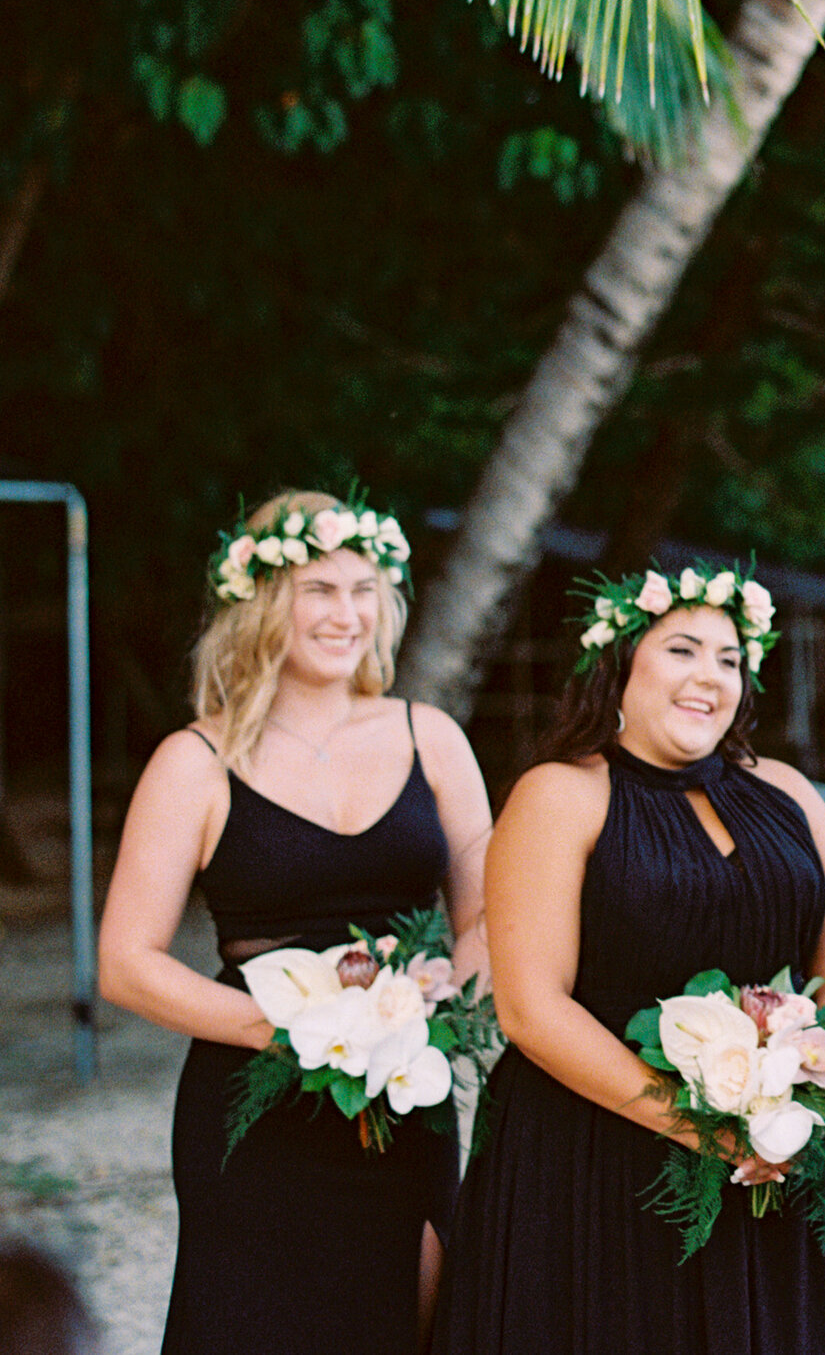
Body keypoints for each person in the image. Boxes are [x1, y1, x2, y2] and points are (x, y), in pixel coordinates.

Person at [431, 563, 825, 1355]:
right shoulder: (559, 794)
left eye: (729, 659)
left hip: (777, 1153)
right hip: (593, 1158)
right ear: (620, 666)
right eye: (682, 650)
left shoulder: (789, 794)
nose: (710, 675)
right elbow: (531, 1006)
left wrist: (795, 1095)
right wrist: (700, 1128)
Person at [99, 491, 490, 1355]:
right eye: (319, 589)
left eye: (363, 589)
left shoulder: (432, 737)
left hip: (403, 1095)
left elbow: (490, 910)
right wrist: (296, 1033)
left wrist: (436, 1014)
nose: (346, 613)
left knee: (418, 1318)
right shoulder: (195, 760)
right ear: (263, 600)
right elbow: (126, 961)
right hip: (251, 1108)